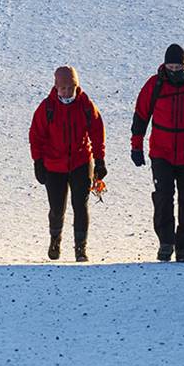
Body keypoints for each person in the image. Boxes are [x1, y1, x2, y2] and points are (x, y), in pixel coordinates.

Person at [130, 44, 184, 262]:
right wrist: (136, 146)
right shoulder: (155, 85)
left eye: (178, 66)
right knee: (163, 198)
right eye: (170, 65)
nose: (174, 70)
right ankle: (166, 242)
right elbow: (141, 116)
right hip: (161, 153)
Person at [29, 66, 106, 262]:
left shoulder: (86, 105)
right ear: (55, 87)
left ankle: (81, 248)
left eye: (70, 87)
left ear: (76, 85)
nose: (67, 92)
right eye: (62, 88)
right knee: (57, 208)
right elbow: (36, 136)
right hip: (54, 165)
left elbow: (97, 132)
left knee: (80, 205)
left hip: (81, 162)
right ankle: (55, 239)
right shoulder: (47, 107)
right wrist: (37, 162)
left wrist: (99, 160)